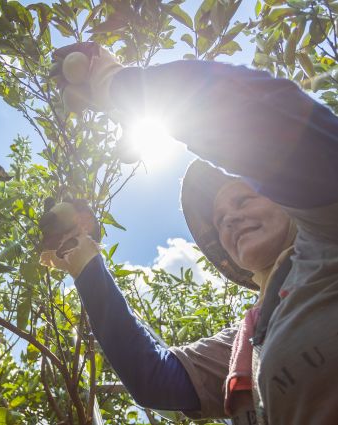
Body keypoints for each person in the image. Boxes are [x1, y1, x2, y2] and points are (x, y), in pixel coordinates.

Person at [39, 43, 338, 425]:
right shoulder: (248, 340)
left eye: (244, 200)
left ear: (289, 202)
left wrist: (117, 84)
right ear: (227, 257)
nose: (229, 218)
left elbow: (278, 126)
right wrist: (86, 265)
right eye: (219, 218)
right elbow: (156, 380)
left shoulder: (328, 241)